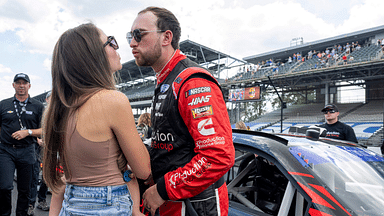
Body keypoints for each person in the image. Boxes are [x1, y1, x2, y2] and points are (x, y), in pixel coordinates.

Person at [128, 6, 235, 215]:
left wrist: (162, 190)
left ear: (166, 37)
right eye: (130, 36)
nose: (132, 43)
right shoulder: (165, 79)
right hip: (173, 201)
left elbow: (216, 156)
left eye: (139, 34)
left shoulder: (192, 82)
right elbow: (173, 145)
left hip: (196, 204)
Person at [42, 23, 151, 215]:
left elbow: (64, 179)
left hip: (71, 202)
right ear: (92, 56)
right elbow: (143, 170)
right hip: (108, 204)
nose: (116, 47)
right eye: (110, 42)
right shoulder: (113, 100)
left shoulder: (60, 108)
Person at [0, 73, 44, 216]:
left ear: (29, 86)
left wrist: (28, 132)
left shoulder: (37, 106)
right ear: (13, 85)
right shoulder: (3, 104)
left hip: (27, 150)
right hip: (6, 150)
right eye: (18, 82)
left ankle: (21, 214)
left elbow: (44, 129)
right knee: (5, 187)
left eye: (24, 83)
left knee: (25, 189)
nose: (21, 85)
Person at [28, 92, 52, 216]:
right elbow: (32, 127)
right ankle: (30, 204)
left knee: (46, 177)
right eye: (51, 98)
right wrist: (38, 139)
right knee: (34, 176)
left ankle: (41, 201)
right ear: (47, 99)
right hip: (37, 148)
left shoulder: (58, 113)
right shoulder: (40, 110)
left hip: (51, 149)